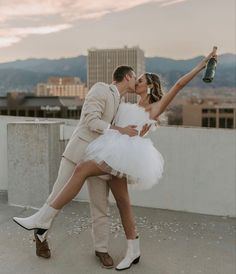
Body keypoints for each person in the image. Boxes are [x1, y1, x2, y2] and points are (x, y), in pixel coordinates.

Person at [13, 49, 217, 271]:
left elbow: (178, 85)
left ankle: (46, 221)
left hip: (123, 156)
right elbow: (99, 120)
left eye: (141, 80)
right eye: (136, 78)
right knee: (123, 203)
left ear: (148, 86)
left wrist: (202, 64)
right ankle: (133, 249)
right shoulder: (122, 102)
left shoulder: (154, 108)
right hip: (108, 151)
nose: (137, 82)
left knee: (88, 177)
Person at [21, 65, 139, 269]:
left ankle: (101, 250)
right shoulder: (101, 89)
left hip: (99, 160)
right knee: (56, 197)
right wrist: (120, 131)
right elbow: (91, 121)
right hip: (78, 154)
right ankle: (40, 235)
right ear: (127, 77)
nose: (136, 81)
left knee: (101, 206)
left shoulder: (121, 100)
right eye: (135, 77)